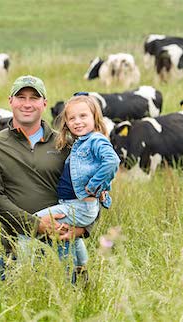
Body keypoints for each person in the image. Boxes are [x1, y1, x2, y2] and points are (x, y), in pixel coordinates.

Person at [0, 75, 97, 277]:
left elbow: (92, 190)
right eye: (21, 97)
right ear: (10, 101)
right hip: (17, 250)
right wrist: (38, 225)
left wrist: (82, 230)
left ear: (44, 103)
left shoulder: (66, 144)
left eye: (34, 98)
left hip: (63, 249)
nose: (27, 104)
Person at [34, 95, 119, 265]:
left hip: (79, 206)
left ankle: (64, 276)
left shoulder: (95, 140)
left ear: (95, 118)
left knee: (33, 222)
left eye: (83, 116)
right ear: (66, 123)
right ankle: (82, 269)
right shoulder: (80, 142)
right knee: (68, 236)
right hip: (76, 205)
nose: (77, 122)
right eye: (72, 118)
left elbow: (112, 161)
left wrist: (95, 185)